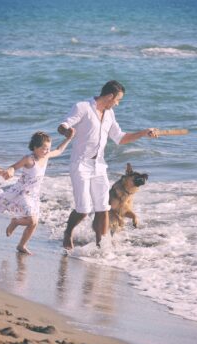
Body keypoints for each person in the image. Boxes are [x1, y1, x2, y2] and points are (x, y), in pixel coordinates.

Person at [57, 80, 159, 251]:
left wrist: (143, 133)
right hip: (80, 164)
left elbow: (120, 138)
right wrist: (67, 131)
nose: (117, 104)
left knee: (103, 208)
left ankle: (101, 246)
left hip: (99, 166)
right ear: (110, 96)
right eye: (118, 100)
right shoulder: (83, 107)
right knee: (83, 209)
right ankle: (68, 232)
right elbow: (63, 125)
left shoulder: (109, 114)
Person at [0, 130, 75, 254]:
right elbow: (14, 166)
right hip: (23, 192)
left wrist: (69, 139)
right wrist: (10, 171)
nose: (47, 151)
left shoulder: (46, 156)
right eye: (44, 148)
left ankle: (21, 245)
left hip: (35, 195)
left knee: (34, 223)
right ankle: (15, 221)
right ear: (35, 147)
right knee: (32, 220)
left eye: (48, 149)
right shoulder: (28, 159)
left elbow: (59, 150)